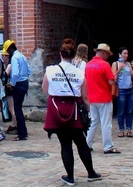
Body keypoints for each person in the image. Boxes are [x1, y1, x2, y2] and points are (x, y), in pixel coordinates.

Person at [42, 38, 102, 186]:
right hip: (74, 109)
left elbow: (44, 90)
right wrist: (88, 114)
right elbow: (85, 97)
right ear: (74, 55)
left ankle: (70, 176)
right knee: (81, 142)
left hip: (57, 108)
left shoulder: (50, 70)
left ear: (61, 55)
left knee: (65, 144)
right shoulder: (79, 73)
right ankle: (91, 172)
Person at [85, 43, 120, 154]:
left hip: (92, 98)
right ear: (103, 52)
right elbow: (111, 81)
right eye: (107, 54)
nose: (108, 56)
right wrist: (115, 78)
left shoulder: (88, 65)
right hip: (104, 97)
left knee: (93, 122)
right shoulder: (105, 65)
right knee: (106, 123)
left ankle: (87, 144)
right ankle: (108, 146)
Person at [4, 39, 31, 141]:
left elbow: (15, 73)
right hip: (24, 82)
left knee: (17, 109)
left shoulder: (15, 58)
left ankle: (22, 134)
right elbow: (29, 70)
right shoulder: (22, 56)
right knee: (19, 108)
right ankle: (23, 131)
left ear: (10, 49)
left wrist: (12, 84)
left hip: (18, 84)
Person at [112, 47, 133, 137]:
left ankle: (129, 129)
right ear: (119, 54)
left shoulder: (128, 64)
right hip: (121, 90)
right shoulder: (116, 64)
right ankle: (121, 129)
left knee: (129, 111)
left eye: (127, 53)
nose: (126, 55)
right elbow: (112, 76)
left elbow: (132, 77)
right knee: (121, 111)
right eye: (124, 53)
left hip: (130, 90)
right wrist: (119, 69)